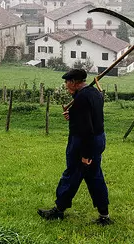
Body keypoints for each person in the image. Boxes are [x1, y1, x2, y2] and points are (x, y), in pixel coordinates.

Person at [38, 68, 112, 226]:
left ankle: (58, 211)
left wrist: (86, 155)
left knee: (71, 174)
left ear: (74, 82)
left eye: (67, 82)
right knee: (94, 177)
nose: (65, 85)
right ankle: (104, 215)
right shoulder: (95, 93)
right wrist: (73, 116)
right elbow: (91, 117)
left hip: (83, 143)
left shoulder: (82, 98)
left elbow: (86, 129)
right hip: (98, 140)